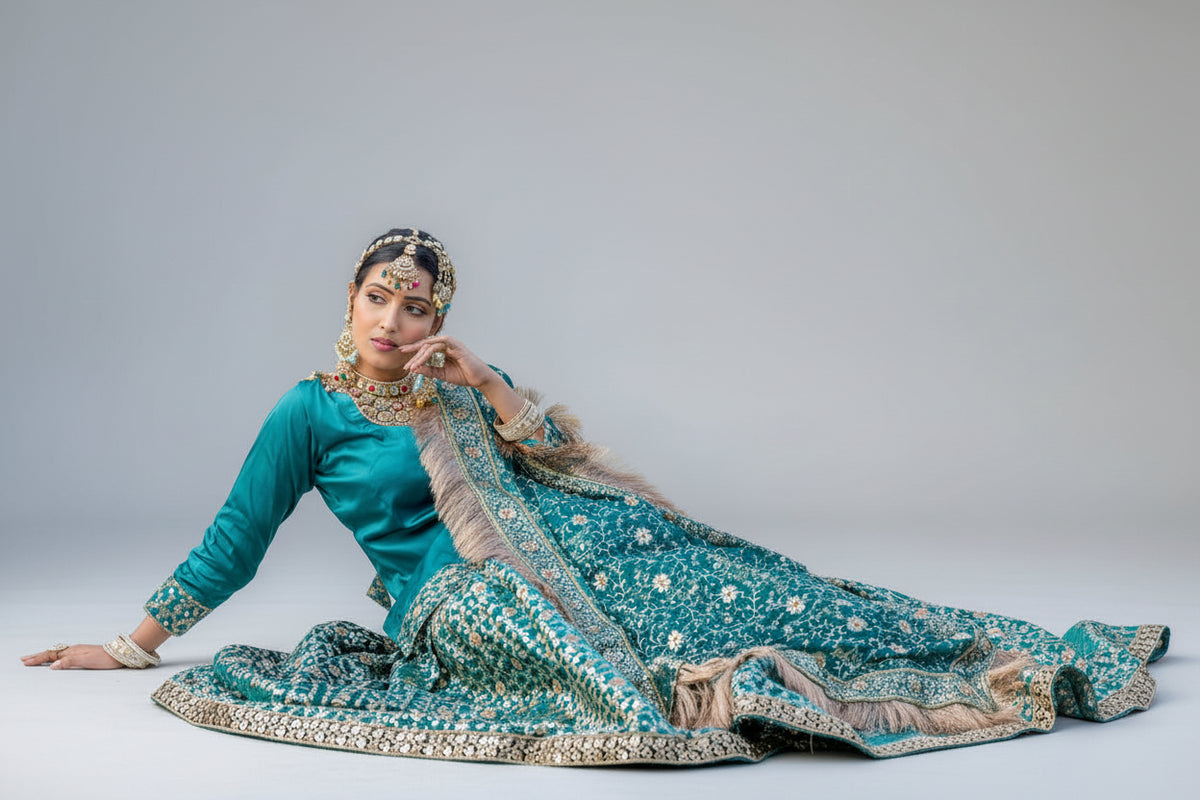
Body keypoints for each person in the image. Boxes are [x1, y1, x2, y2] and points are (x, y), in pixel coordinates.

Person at [22, 228, 1169, 765]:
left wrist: (481, 376)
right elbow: (238, 535)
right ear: (351, 296)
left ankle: (984, 650)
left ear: (437, 317)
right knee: (604, 674)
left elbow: (559, 452)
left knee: (761, 587)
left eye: (417, 307)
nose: (393, 320)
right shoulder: (307, 411)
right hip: (454, 596)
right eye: (379, 296)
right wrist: (130, 648)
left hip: (583, 539)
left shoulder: (457, 385)